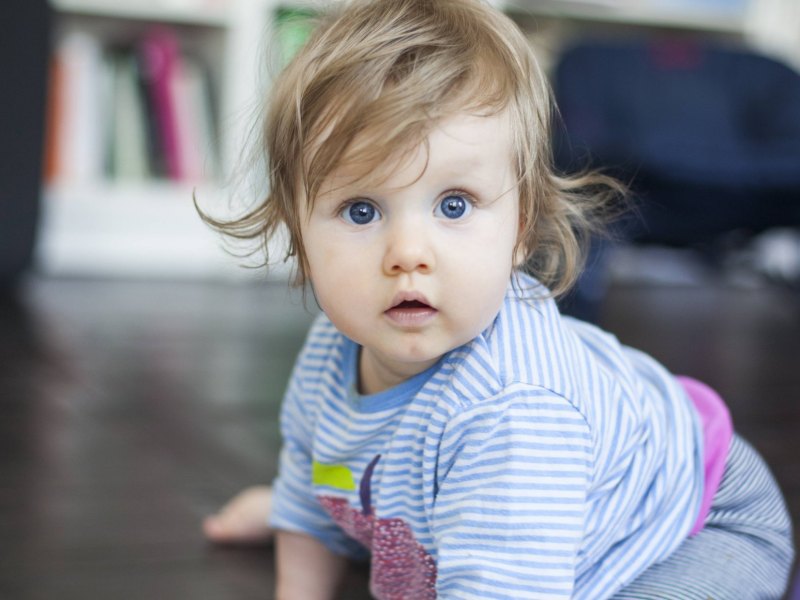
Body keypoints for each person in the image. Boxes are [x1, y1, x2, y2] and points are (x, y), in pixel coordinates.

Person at [201, 0, 795, 597]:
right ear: (298, 234)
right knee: (343, 503)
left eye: (453, 204)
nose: (408, 253)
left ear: (520, 227)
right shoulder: (331, 351)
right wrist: (301, 517)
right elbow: (316, 475)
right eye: (361, 210)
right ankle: (354, 519)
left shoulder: (517, 406)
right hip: (521, 507)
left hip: (699, 520)